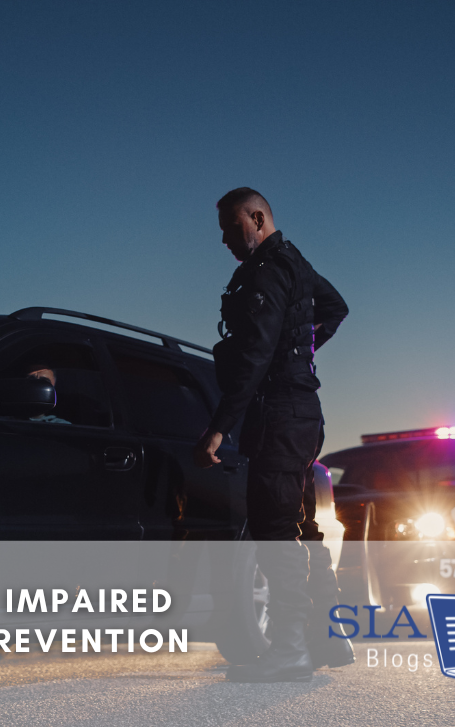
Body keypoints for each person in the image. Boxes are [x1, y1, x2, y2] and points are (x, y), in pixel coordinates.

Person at [193, 187, 354, 682]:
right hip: (304, 412)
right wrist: (300, 350)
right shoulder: (296, 264)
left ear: (258, 217)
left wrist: (218, 428)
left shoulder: (267, 270)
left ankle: (289, 650)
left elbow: (255, 356)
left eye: (231, 227)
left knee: (274, 530)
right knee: (302, 527)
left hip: (281, 414)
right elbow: (336, 307)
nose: (225, 240)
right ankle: (328, 639)